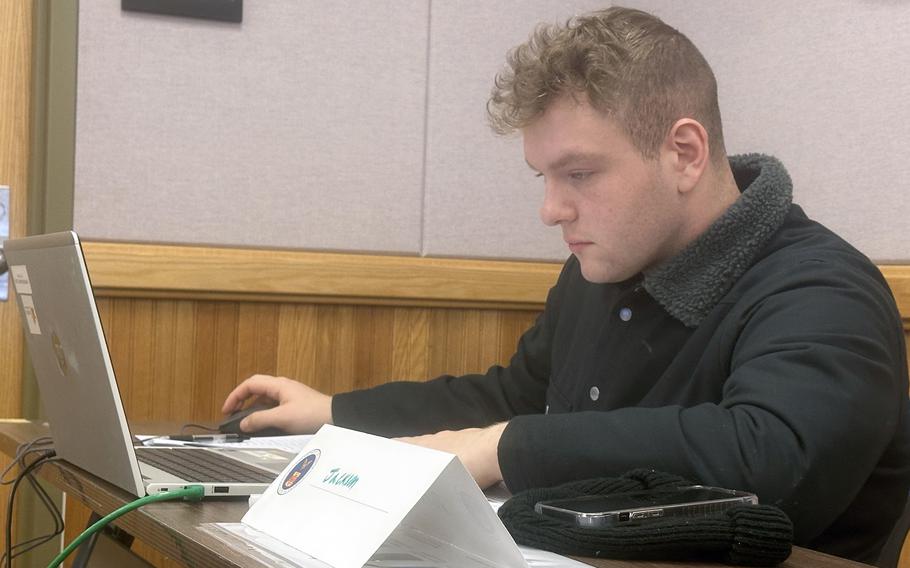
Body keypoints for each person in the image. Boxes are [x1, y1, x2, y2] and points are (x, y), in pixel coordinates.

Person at [223, 7, 910, 563]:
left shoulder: (825, 290)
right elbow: (516, 397)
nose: (552, 209)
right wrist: (335, 412)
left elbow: (771, 458)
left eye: (579, 175)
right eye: (543, 178)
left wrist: (503, 449)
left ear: (685, 153)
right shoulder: (604, 262)